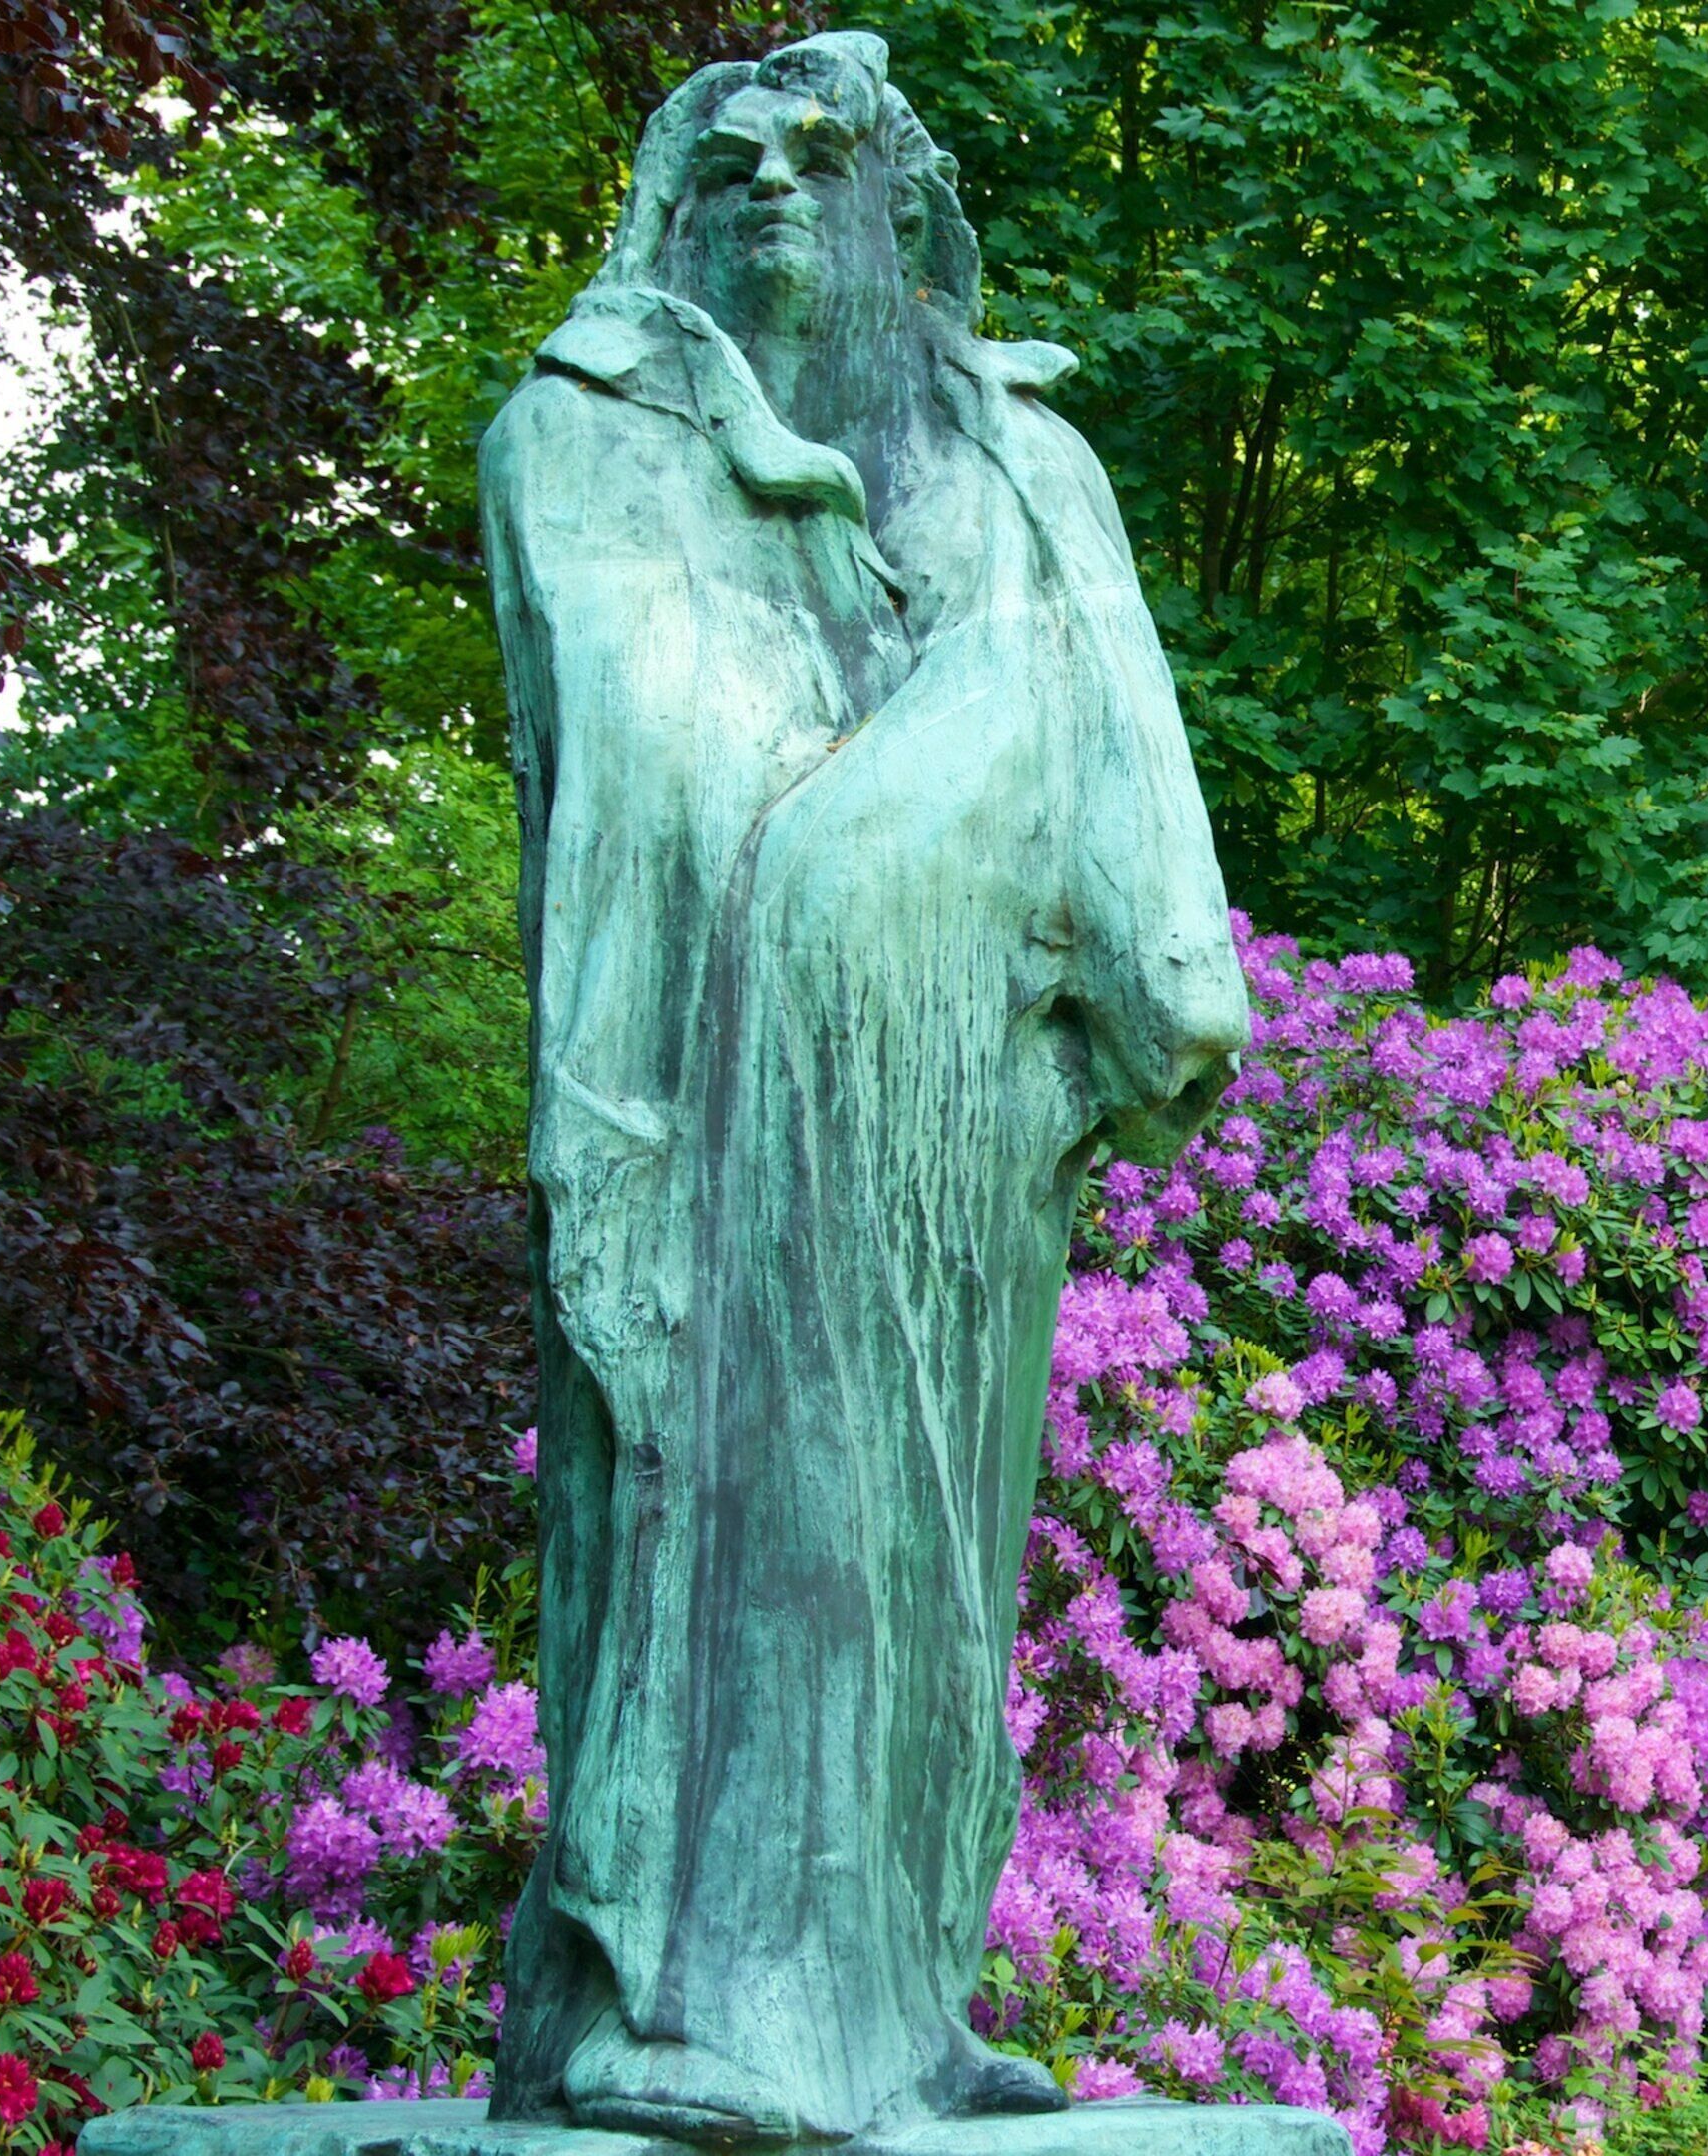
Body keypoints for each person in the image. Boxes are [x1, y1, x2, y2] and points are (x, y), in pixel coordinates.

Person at [476, 31, 1250, 2142]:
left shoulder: (1025, 463)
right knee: (741, 1512)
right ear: (674, 212)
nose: (778, 197)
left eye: (827, 165)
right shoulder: (594, 433)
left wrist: (1145, 962)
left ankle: (890, 2003)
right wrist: (910, 818)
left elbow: (1123, 754)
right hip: (723, 1087)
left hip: (973, 1100)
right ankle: (701, 2013)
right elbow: (659, 735)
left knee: (926, 1550)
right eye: (732, 169)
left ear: (905, 206)